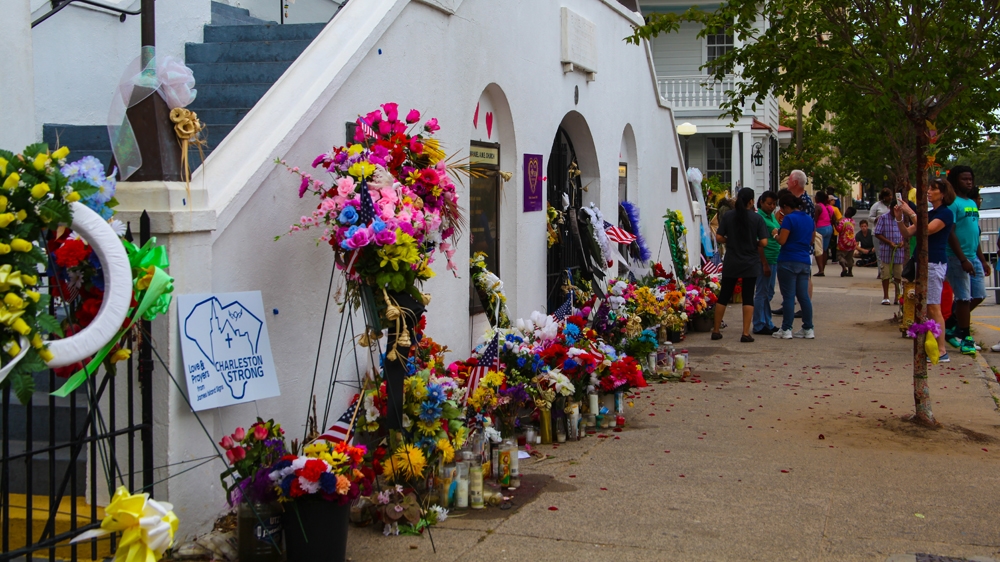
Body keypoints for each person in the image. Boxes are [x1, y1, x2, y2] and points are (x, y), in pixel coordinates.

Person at [894, 178, 956, 362]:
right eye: (929, 188)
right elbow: (908, 232)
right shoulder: (930, 213)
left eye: (933, 189)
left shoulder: (945, 214)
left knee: (934, 306)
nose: (929, 192)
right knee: (927, 306)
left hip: (934, 262)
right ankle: (932, 344)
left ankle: (942, 349)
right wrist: (899, 216)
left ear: (943, 194)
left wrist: (911, 211)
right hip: (923, 262)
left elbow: (926, 230)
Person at [942, 166, 990, 355]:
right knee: (963, 297)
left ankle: (951, 324)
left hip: (973, 256)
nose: (969, 182)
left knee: (978, 295)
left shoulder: (971, 202)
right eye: (964, 179)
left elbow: (974, 233)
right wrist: (962, 259)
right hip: (956, 257)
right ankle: (965, 337)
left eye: (970, 179)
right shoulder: (953, 204)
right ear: (955, 181)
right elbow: (950, 233)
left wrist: (983, 260)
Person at [714, 187, 769, 342]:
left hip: (732, 260)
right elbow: (764, 242)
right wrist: (754, 242)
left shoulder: (729, 216)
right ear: (751, 201)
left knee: (724, 295)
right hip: (750, 261)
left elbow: (718, 237)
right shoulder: (757, 219)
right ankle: (745, 333)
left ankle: (716, 330)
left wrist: (729, 240)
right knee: (748, 296)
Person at [773, 191, 815, 339]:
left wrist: (775, 234)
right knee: (804, 296)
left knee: (789, 296)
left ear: (785, 206)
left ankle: (786, 329)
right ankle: (808, 328)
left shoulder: (789, 219)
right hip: (804, 259)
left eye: (782, 208)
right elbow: (811, 240)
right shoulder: (809, 219)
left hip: (788, 259)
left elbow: (782, 240)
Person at [753, 191, 781, 335]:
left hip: (774, 258)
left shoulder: (771, 216)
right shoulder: (759, 218)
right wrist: (763, 263)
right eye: (769, 203)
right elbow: (759, 243)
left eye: (774, 204)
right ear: (762, 202)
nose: (772, 207)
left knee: (769, 292)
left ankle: (767, 322)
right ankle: (759, 323)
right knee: (762, 292)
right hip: (765, 258)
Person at [874, 199, 905, 305]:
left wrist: (902, 242)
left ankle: (897, 296)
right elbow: (877, 233)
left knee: (898, 275)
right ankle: (886, 296)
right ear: (890, 208)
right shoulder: (883, 218)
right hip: (886, 251)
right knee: (886, 274)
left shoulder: (902, 218)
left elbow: (907, 233)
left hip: (899, 251)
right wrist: (888, 242)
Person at [868, 188, 893, 267]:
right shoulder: (876, 205)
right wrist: (876, 219)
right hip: (877, 232)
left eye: (891, 195)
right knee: (879, 254)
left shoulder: (892, 205)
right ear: (883, 197)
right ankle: (881, 272)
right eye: (888, 196)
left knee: (889, 254)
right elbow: (870, 218)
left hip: (889, 232)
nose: (890, 197)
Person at [813, 191, 836, 276]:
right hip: (829, 228)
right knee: (825, 250)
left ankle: (820, 269)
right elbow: (834, 219)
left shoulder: (818, 207)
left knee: (818, 249)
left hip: (820, 228)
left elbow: (815, 220)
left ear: (818, 198)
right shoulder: (829, 207)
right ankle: (823, 268)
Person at [836, 207, 858, 276]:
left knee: (840, 255)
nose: (845, 212)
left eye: (846, 211)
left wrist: (835, 224)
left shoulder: (843, 221)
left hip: (843, 242)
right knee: (849, 257)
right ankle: (850, 272)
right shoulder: (853, 221)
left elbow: (839, 229)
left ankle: (844, 268)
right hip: (852, 242)